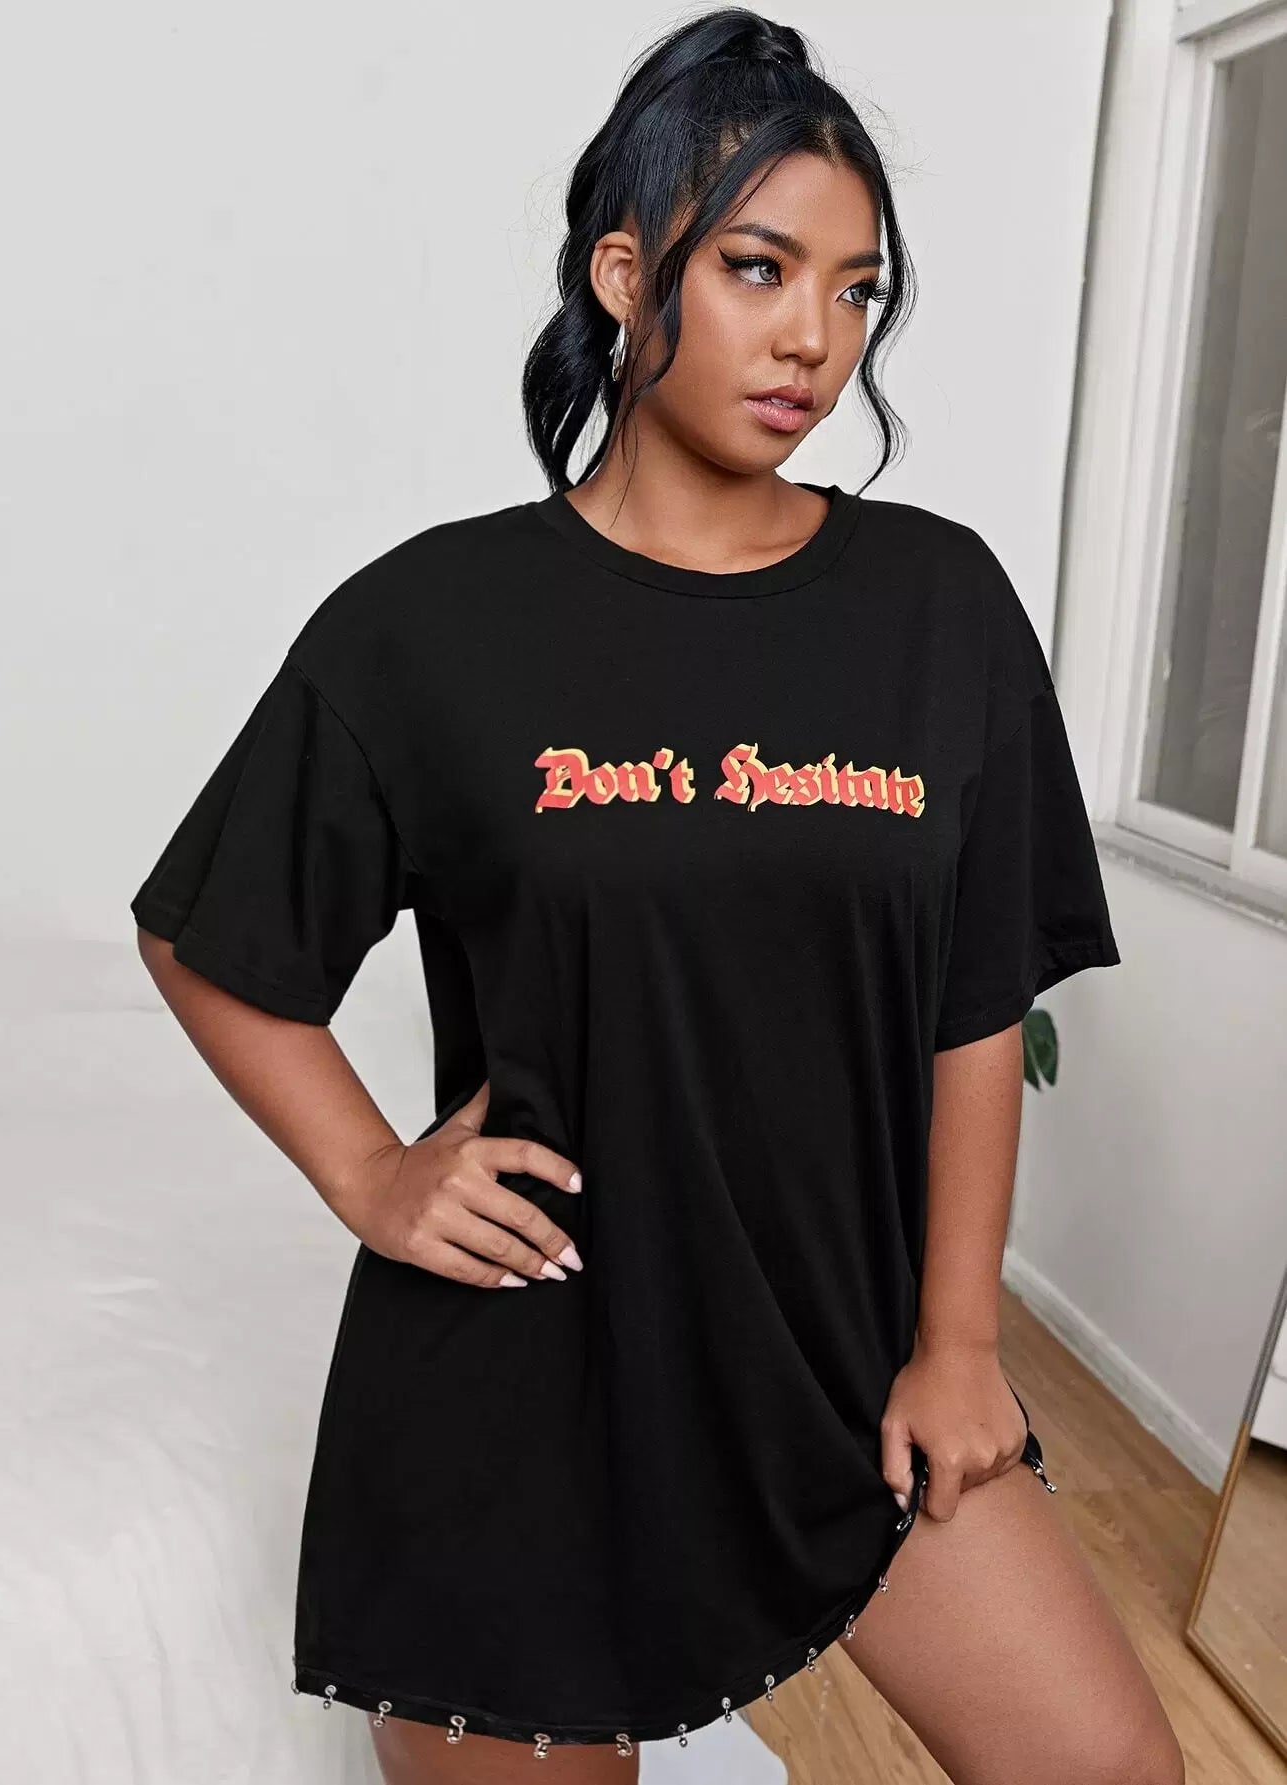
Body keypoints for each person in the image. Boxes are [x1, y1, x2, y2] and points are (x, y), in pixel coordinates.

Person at [131, 8, 1185, 1782]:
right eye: (759, 268)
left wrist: (957, 1340)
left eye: (856, 289)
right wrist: (371, 1170)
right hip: (523, 1392)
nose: (814, 337)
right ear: (628, 276)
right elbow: (209, 933)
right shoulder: (432, 625)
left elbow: (976, 1001)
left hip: (845, 1365)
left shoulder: (938, 609)